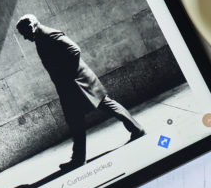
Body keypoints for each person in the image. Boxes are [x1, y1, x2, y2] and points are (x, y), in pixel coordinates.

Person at [15, 14, 146, 171]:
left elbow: (74, 49)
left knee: (100, 107)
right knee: (79, 118)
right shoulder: (41, 36)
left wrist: (67, 75)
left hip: (77, 84)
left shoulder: (47, 34)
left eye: (23, 33)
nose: (24, 38)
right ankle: (80, 157)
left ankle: (79, 158)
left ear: (30, 26)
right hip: (73, 85)